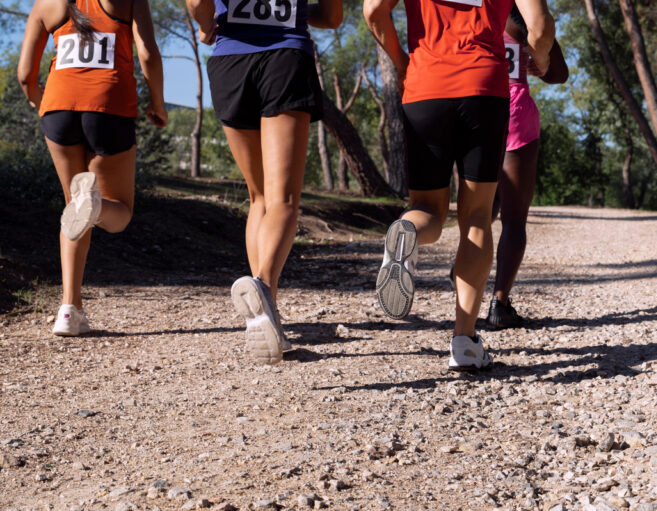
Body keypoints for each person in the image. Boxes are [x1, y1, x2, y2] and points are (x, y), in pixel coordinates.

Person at [364, 0, 554, 370]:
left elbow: (373, 10)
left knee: (427, 209)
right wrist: (541, 61)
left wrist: (403, 61)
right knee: (478, 217)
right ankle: (464, 342)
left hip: (425, 87)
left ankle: (407, 232)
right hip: (484, 88)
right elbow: (541, 27)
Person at [186, 0, 342, 364]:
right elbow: (333, 17)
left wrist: (206, 22)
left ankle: (262, 309)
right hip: (285, 56)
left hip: (230, 62)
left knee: (258, 197)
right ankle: (263, 292)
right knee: (283, 199)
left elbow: (196, 3)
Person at [17, 0, 167, 337]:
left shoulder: (47, 4)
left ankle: (69, 311)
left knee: (74, 208)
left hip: (58, 107)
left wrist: (44, 104)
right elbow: (148, 54)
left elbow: (25, 75)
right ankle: (95, 204)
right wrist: (157, 102)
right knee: (120, 212)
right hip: (109, 105)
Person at [486, 8, 568, 329]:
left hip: (474, 107)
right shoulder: (521, 15)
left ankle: (462, 281)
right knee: (514, 218)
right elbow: (560, 73)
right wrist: (540, 64)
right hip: (515, 111)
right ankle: (500, 304)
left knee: (481, 207)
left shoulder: (468, 10)